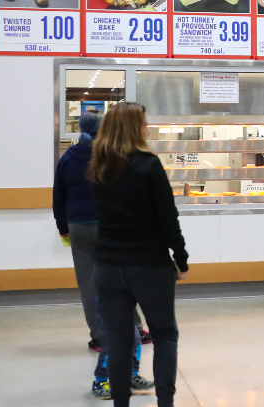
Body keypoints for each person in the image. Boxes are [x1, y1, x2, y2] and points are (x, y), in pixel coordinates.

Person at [88, 102, 188, 407]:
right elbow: (167, 218)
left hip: (107, 265)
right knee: (165, 334)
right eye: (144, 123)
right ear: (134, 127)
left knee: (118, 342)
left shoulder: (98, 166)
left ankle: (121, 403)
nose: (147, 128)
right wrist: (180, 257)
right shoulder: (148, 165)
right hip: (148, 265)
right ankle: (165, 403)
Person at [53, 106, 105, 350]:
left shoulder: (67, 158)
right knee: (120, 277)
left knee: (87, 282)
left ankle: (98, 335)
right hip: (108, 224)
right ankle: (133, 329)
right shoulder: (109, 156)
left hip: (78, 225)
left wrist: (63, 228)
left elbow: (59, 196)